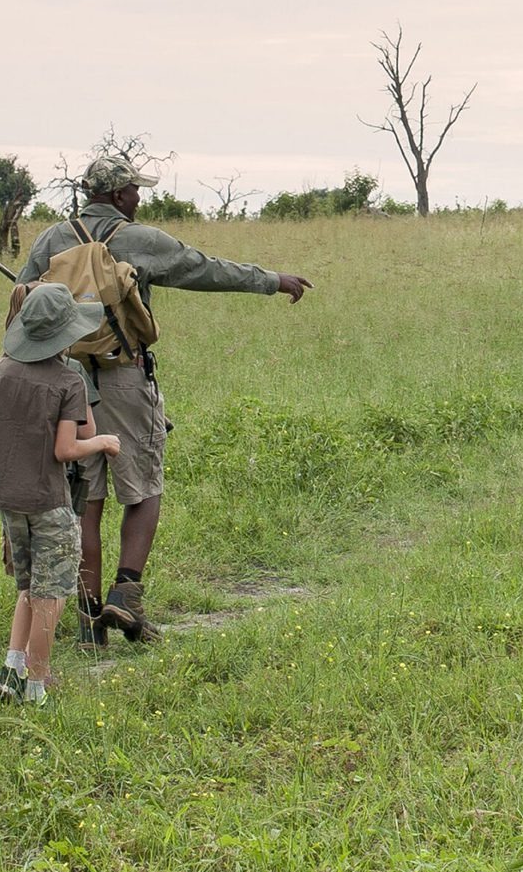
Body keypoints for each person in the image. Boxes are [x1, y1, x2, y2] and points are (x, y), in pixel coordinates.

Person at [17, 153, 311, 643]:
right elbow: (203, 269)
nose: (138, 197)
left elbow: (25, 299)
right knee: (144, 487)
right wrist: (270, 281)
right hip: (125, 377)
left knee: (86, 497)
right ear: (116, 195)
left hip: (65, 378)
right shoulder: (138, 239)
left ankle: (90, 617)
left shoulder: (52, 238)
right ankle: (125, 595)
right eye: (134, 190)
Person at [0, 283, 120, 705]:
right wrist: (103, 442)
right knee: (51, 591)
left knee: (28, 585)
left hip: (5, 498)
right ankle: (38, 682)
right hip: (49, 499)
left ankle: (12, 666)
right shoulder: (68, 380)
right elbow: (67, 448)